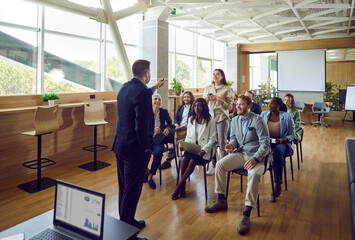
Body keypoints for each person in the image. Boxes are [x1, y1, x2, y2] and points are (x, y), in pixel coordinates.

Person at [111, 59, 166, 236]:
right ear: (147, 73)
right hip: (135, 149)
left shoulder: (125, 87)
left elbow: (138, 96)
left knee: (124, 186)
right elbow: (141, 125)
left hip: (120, 145)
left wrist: (154, 88)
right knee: (133, 189)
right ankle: (127, 232)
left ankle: (126, 222)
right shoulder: (142, 93)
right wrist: (146, 149)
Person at [204, 94, 271, 236]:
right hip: (241, 154)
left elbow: (265, 144)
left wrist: (256, 159)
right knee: (220, 165)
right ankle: (221, 199)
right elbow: (234, 139)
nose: (238, 107)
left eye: (241, 104)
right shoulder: (234, 120)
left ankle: (247, 213)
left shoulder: (258, 120)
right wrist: (230, 145)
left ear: (249, 106)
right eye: (237, 104)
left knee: (253, 174)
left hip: (258, 156)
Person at [171, 98, 216, 200]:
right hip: (192, 148)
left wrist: (204, 150)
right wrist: (185, 145)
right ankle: (182, 187)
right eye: (195, 106)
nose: (196, 108)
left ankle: (178, 188)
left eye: (199, 106)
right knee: (184, 160)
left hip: (203, 151)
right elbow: (188, 136)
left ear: (203, 107)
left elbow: (213, 139)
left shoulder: (211, 121)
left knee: (192, 162)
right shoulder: (191, 119)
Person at [261, 97, 295, 201]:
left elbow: (292, 135)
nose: (269, 106)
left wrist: (282, 139)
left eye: (272, 104)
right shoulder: (264, 115)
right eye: (269, 104)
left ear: (278, 106)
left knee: (277, 152)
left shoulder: (286, 116)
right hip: (267, 142)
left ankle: (278, 183)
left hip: (282, 143)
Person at [203, 69, 234, 175]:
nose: (215, 76)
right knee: (211, 142)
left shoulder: (227, 88)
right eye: (213, 74)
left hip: (222, 118)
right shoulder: (208, 88)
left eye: (217, 74)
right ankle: (214, 165)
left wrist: (219, 99)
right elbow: (203, 104)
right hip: (210, 118)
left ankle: (223, 166)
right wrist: (207, 100)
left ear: (222, 77)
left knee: (222, 143)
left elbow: (229, 106)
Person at [145, 93, 173, 189]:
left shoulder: (163, 112)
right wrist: (152, 130)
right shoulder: (146, 112)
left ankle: (150, 176)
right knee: (142, 153)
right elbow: (141, 127)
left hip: (158, 139)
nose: (157, 101)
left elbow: (170, 122)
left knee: (158, 153)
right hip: (147, 139)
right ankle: (146, 171)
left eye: (159, 99)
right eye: (155, 99)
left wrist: (168, 128)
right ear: (151, 101)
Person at [161, 91, 195, 170]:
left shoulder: (193, 107)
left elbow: (194, 119)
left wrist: (188, 125)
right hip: (178, 127)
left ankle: (169, 157)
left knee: (174, 135)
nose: (186, 99)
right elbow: (176, 118)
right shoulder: (180, 107)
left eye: (188, 97)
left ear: (191, 98)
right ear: (182, 98)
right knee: (167, 131)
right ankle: (170, 152)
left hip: (187, 129)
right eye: (185, 97)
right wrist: (176, 124)